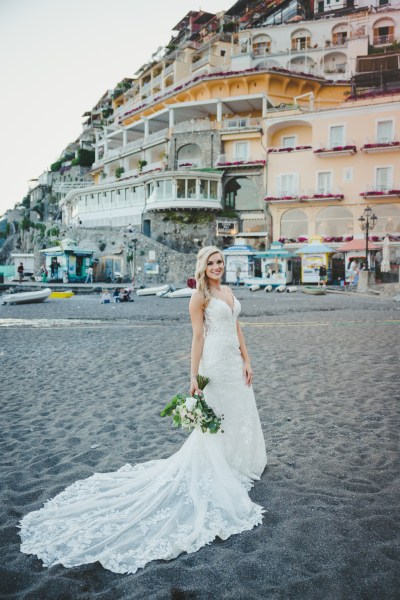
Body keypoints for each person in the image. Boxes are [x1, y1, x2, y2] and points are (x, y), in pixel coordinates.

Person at [18, 246, 267, 575]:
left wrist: (248, 360)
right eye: (211, 263)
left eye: (220, 262)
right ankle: (219, 466)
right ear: (202, 267)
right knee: (216, 418)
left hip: (235, 362)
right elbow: (196, 337)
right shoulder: (198, 296)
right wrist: (193, 376)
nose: (217, 267)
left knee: (239, 412)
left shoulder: (229, 290)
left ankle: (238, 460)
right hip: (214, 363)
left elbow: (237, 327)